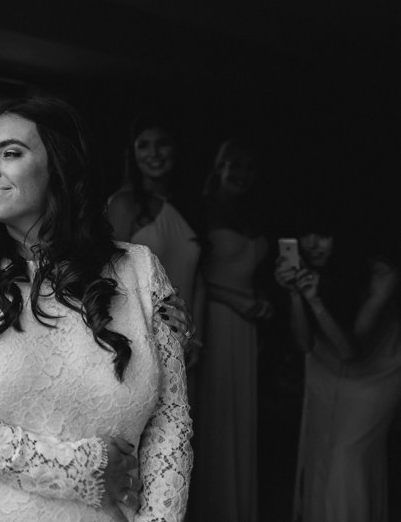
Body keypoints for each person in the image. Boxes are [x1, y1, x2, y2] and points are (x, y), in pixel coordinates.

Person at [0, 97, 193, 521]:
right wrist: (81, 469)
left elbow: (169, 424)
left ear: (59, 168)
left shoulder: (140, 269)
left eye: (10, 153)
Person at [274, 215, 401, 522]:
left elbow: (349, 351)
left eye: (324, 234)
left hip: (375, 378)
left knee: (348, 459)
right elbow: (304, 344)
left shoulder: (384, 274)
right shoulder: (311, 270)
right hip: (323, 371)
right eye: (306, 234)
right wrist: (295, 294)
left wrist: (315, 301)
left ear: (344, 235)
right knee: (320, 456)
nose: (313, 244)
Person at [192, 138, 271, 522]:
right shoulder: (204, 211)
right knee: (217, 407)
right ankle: (216, 507)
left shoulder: (255, 214)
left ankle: (240, 505)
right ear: (219, 169)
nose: (240, 176)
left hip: (248, 322)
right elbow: (198, 277)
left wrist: (259, 300)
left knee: (243, 411)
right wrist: (237, 301)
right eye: (233, 167)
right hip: (218, 317)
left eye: (248, 170)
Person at [106, 115, 205, 345]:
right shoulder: (124, 205)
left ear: (176, 149)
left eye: (162, 144)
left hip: (187, 334)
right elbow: (114, 277)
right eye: (143, 145)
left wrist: (195, 337)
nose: (154, 153)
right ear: (133, 153)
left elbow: (199, 281)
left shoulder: (191, 208)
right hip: (143, 334)